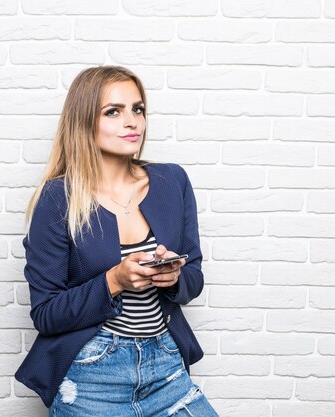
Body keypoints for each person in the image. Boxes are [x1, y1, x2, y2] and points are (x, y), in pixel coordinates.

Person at [15, 65, 219, 417]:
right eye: (114, 111)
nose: (133, 122)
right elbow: (45, 314)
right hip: (91, 375)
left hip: (166, 366)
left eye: (137, 109)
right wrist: (114, 281)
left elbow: (195, 277)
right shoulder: (58, 198)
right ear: (84, 122)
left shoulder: (172, 182)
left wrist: (173, 278)